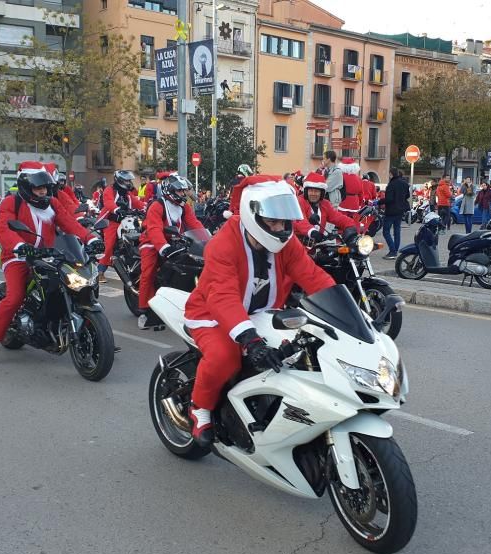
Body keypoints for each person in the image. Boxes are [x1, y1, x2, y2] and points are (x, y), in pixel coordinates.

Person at [184, 179, 335, 446]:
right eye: (274, 222)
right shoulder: (223, 245)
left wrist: (348, 312)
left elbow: (313, 276)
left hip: (262, 313)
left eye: (285, 222)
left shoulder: (286, 243)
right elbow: (223, 297)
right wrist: (251, 340)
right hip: (212, 314)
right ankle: (200, 408)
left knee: (303, 351)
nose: (281, 228)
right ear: (254, 215)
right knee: (225, 357)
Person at [0, 166, 103, 366]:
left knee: (75, 283)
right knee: (15, 297)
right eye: (39, 188)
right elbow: (3, 228)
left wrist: (90, 239)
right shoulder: (12, 202)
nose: (43, 192)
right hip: (18, 256)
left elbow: (69, 224)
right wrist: (20, 246)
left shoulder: (52, 203)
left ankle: (88, 331)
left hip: (51, 254)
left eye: (45, 187)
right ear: (27, 187)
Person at [137, 174, 204, 330]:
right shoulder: (157, 205)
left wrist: (208, 240)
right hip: (152, 243)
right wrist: (163, 247)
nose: (184, 194)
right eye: (181, 191)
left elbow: (195, 225)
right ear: (171, 191)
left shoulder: (184, 207)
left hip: (176, 242)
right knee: (148, 272)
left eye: (184, 191)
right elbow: (154, 229)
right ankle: (144, 310)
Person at [97, 170, 143, 283]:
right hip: (111, 221)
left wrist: (148, 208)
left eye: (129, 181)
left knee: (141, 237)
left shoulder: (127, 194)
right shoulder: (110, 189)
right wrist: (117, 209)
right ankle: (100, 272)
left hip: (126, 220)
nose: (129, 183)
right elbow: (108, 202)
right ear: (120, 180)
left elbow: (138, 203)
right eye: (127, 180)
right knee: (109, 246)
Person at [294, 172, 359, 243]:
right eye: (310, 191)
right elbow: (300, 221)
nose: (313, 194)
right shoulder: (299, 201)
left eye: (316, 191)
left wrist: (350, 226)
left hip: (316, 246)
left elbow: (337, 217)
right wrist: (312, 232)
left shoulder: (325, 204)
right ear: (306, 191)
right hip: (297, 245)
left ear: (322, 193)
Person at [377, 168, 408, 259]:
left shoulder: (391, 184)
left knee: (386, 231)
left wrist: (378, 202)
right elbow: (407, 195)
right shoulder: (404, 183)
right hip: (400, 210)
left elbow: (389, 199)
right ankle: (395, 250)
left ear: (391, 174)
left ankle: (392, 251)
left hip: (391, 211)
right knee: (397, 231)